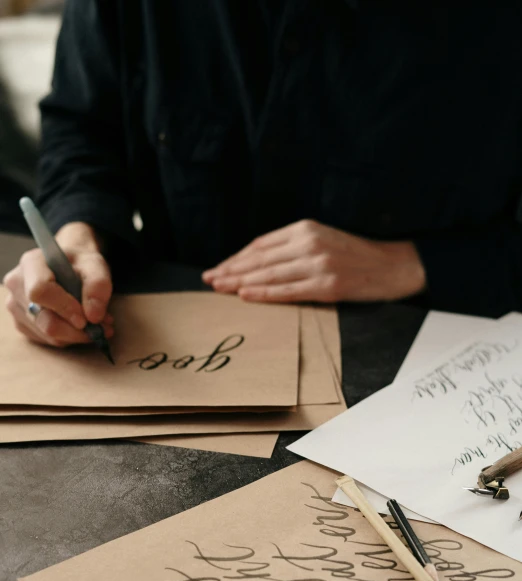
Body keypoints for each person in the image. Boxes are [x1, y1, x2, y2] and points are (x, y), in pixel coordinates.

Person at [4, 1, 522, 348]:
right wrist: (77, 236)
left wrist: (417, 263)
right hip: (170, 338)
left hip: (431, 350)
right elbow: (84, 123)